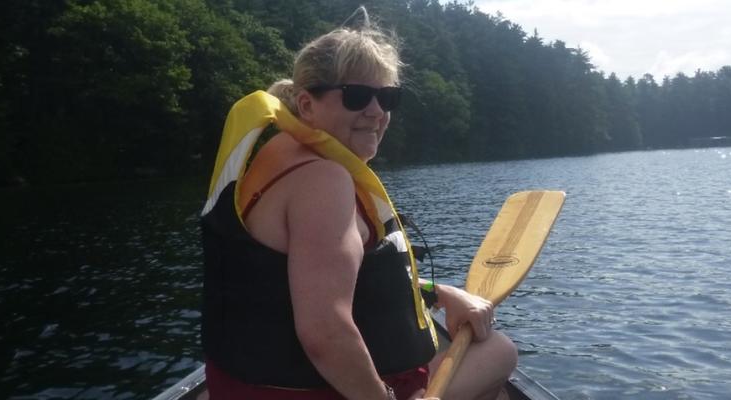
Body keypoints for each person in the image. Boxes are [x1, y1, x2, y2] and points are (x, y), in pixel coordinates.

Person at [199, 8, 516, 400]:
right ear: (306, 104)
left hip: (239, 386)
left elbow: (312, 283)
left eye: (387, 97)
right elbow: (324, 332)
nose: (376, 111)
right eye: (357, 96)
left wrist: (439, 292)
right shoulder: (323, 181)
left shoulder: (274, 158)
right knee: (499, 351)